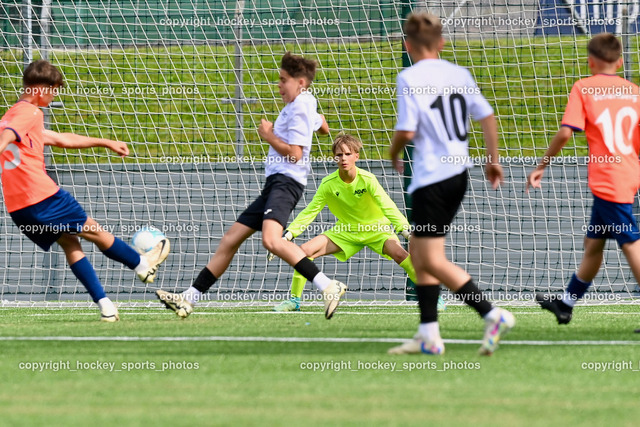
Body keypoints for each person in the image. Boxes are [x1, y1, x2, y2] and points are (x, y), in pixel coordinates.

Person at [156, 52, 347, 319]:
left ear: (301, 82)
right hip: (275, 185)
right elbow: (323, 126)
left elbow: (295, 154)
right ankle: (188, 298)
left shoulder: (300, 108)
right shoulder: (305, 102)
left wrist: (269, 135)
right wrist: (318, 124)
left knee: (271, 240)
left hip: (286, 183)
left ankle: (327, 285)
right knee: (230, 240)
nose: (279, 85)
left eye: (284, 80)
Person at [0, 59, 169, 322]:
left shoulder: (12, 115)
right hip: (43, 197)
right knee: (96, 232)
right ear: (41, 89)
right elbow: (6, 138)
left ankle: (106, 306)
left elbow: (60, 139)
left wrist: (105, 142)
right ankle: (141, 264)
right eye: (54, 91)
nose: (54, 97)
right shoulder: (29, 113)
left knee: (71, 242)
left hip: (19, 208)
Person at [388, 12, 515, 355]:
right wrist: (492, 160)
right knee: (420, 251)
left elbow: (407, 130)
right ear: (442, 43)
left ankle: (492, 314)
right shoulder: (459, 74)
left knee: (430, 259)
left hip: (432, 179)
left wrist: (393, 152)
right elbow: (487, 116)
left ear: (407, 45)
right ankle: (428, 334)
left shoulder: (409, 77)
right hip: (457, 175)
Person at [527, 33, 640, 324]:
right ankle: (566, 304)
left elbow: (566, 132)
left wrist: (541, 165)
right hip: (626, 173)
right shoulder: (634, 92)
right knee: (593, 243)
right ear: (620, 62)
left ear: (590, 61)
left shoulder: (584, 88)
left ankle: (567, 303)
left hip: (608, 178)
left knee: (630, 243)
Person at [271, 133, 445, 312]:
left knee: (401, 255)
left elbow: (387, 206)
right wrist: (288, 235)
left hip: (377, 230)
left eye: (348, 154)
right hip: (346, 231)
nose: (343, 158)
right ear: (334, 158)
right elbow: (310, 211)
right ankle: (294, 301)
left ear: (356, 156)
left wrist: (405, 231)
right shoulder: (328, 184)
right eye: (339, 155)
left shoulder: (368, 179)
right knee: (303, 252)